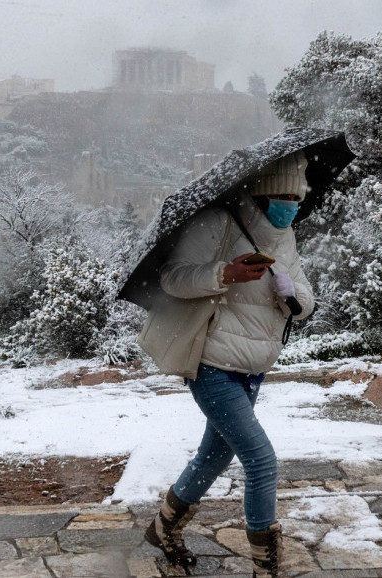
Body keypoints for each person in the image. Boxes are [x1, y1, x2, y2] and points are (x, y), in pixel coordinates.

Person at [141, 151, 314, 577]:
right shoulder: (216, 223)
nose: (290, 204)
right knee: (260, 459)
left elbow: (305, 302)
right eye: (282, 195)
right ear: (260, 193)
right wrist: (224, 274)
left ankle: (163, 528)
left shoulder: (284, 236)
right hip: (212, 363)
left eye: (297, 196)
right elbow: (173, 278)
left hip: (255, 369)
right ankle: (265, 565)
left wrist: (290, 296)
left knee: (212, 457)